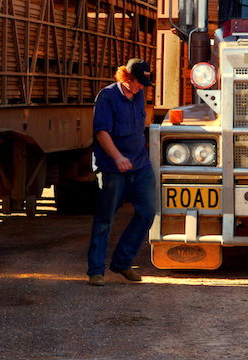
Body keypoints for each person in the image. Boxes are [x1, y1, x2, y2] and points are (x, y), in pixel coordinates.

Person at [86, 58, 156, 286]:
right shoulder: (107, 97)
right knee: (105, 218)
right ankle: (96, 271)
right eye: (138, 82)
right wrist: (117, 157)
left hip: (140, 165)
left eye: (144, 83)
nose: (141, 87)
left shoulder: (139, 95)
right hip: (112, 168)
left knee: (147, 212)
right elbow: (101, 132)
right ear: (126, 77)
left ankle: (122, 262)